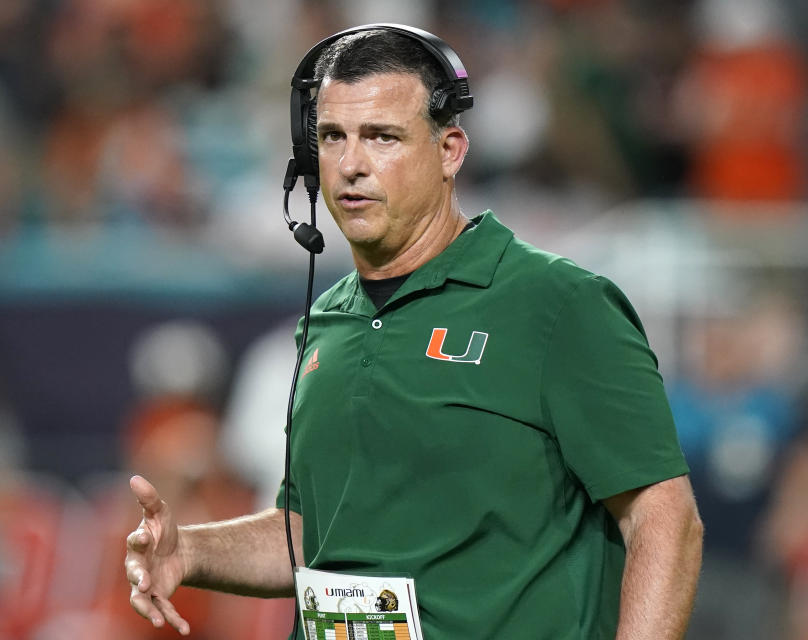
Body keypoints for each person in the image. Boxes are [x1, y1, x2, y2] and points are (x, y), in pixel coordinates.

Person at [125, 26, 703, 639]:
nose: (350, 166)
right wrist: (189, 551)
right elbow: (307, 531)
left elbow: (664, 518)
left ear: (451, 150)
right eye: (331, 137)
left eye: (382, 137)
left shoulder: (558, 304)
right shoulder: (323, 325)